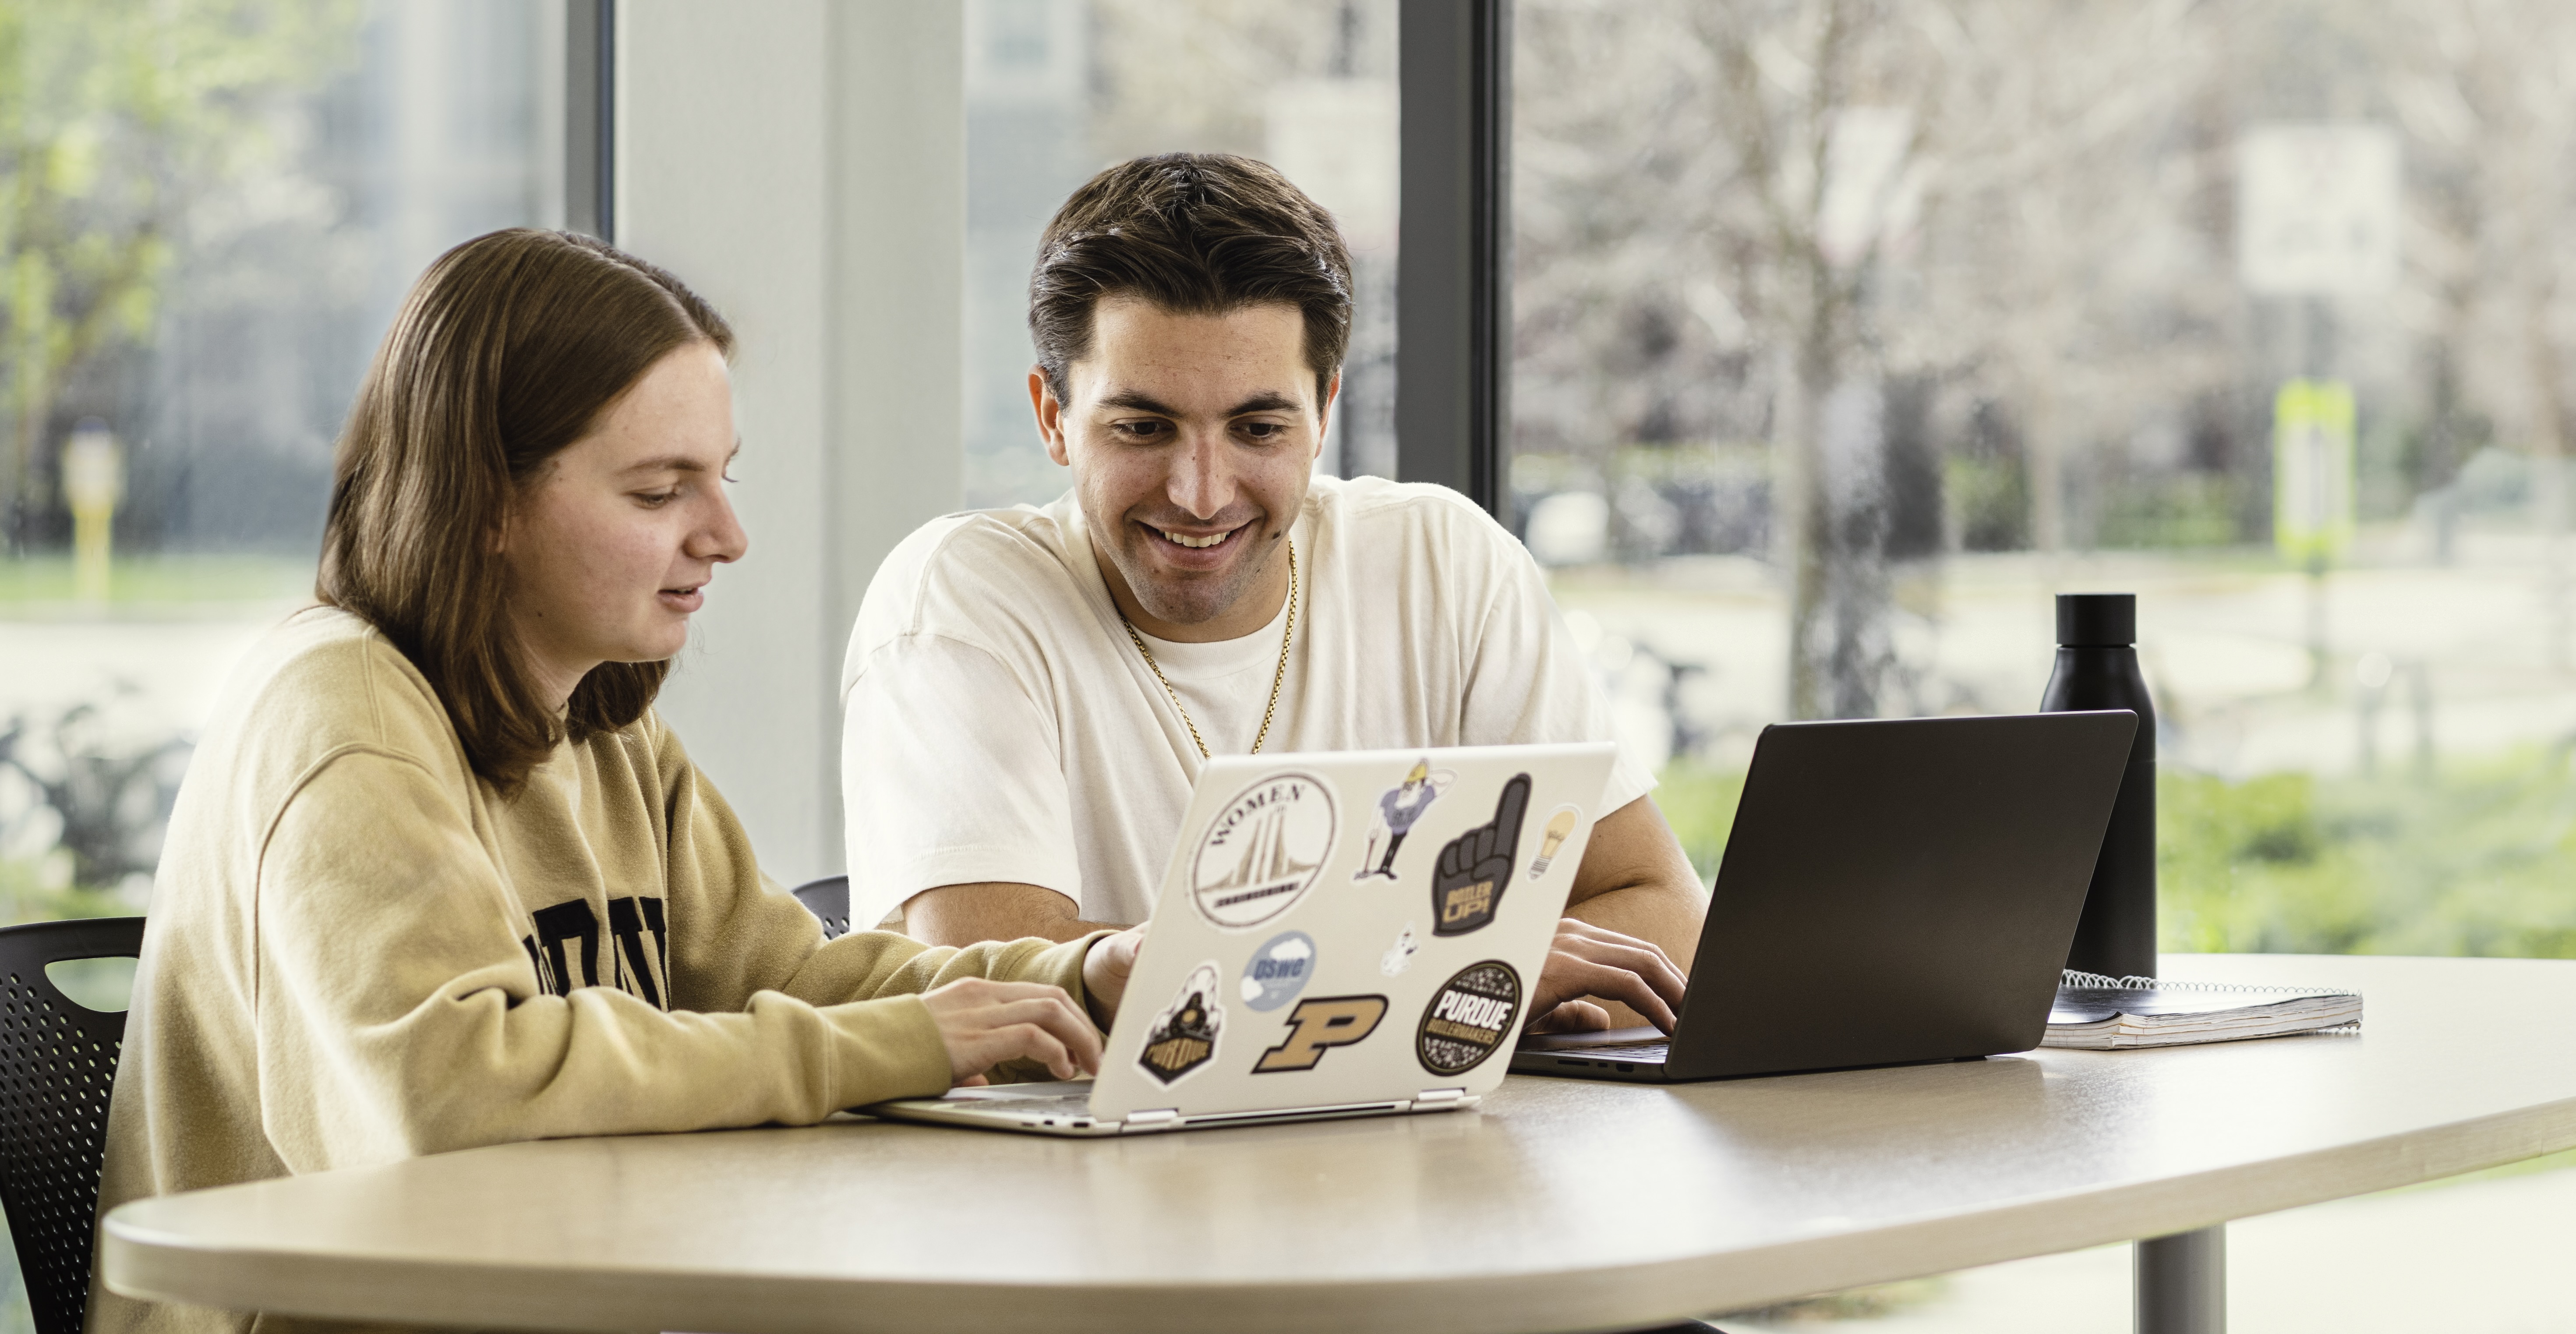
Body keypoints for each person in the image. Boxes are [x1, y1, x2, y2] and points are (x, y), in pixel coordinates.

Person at [96, 229, 1140, 1334]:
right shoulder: (341, 718)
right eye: (658, 492)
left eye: (722, 479)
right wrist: (900, 1045)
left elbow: (781, 973)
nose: (728, 536)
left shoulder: (598, 721)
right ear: (486, 503)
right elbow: (454, 1095)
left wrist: (1080, 978)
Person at [841, 155, 1698, 1033]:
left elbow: (1665, 916)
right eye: (1142, 426)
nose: (1201, 493)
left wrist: (1382, 982)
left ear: (1324, 411)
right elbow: (1006, 992)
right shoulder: (962, 597)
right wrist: (1447, 972)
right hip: (1075, 1169)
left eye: (1258, 428)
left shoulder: (1444, 560)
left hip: (1412, 1158)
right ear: (1053, 416)